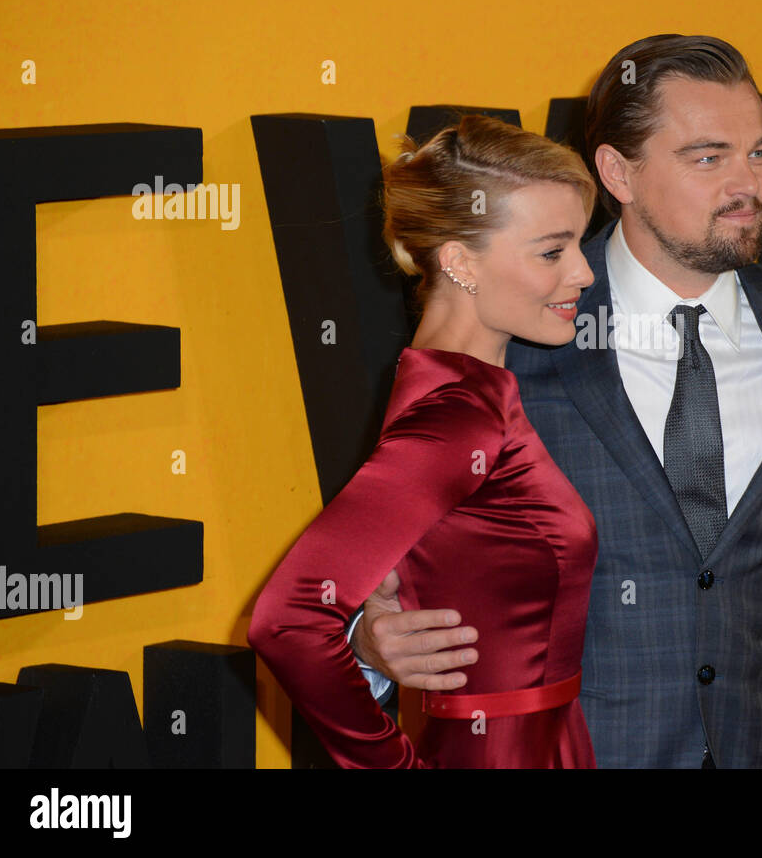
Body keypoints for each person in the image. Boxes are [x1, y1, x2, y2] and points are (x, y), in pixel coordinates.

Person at [352, 34, 762, 768]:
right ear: (617, 173)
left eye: (758, 153)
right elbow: (378, 566)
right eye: (708, 156)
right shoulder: (513, 329)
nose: (750, 184)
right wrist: (370, 637)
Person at [247, 115, 600, 768]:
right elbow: (288, 619)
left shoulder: (469, 392)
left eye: (579, 244)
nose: (583, 272)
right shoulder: (459, 414)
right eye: (552, 251)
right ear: (461, 262)